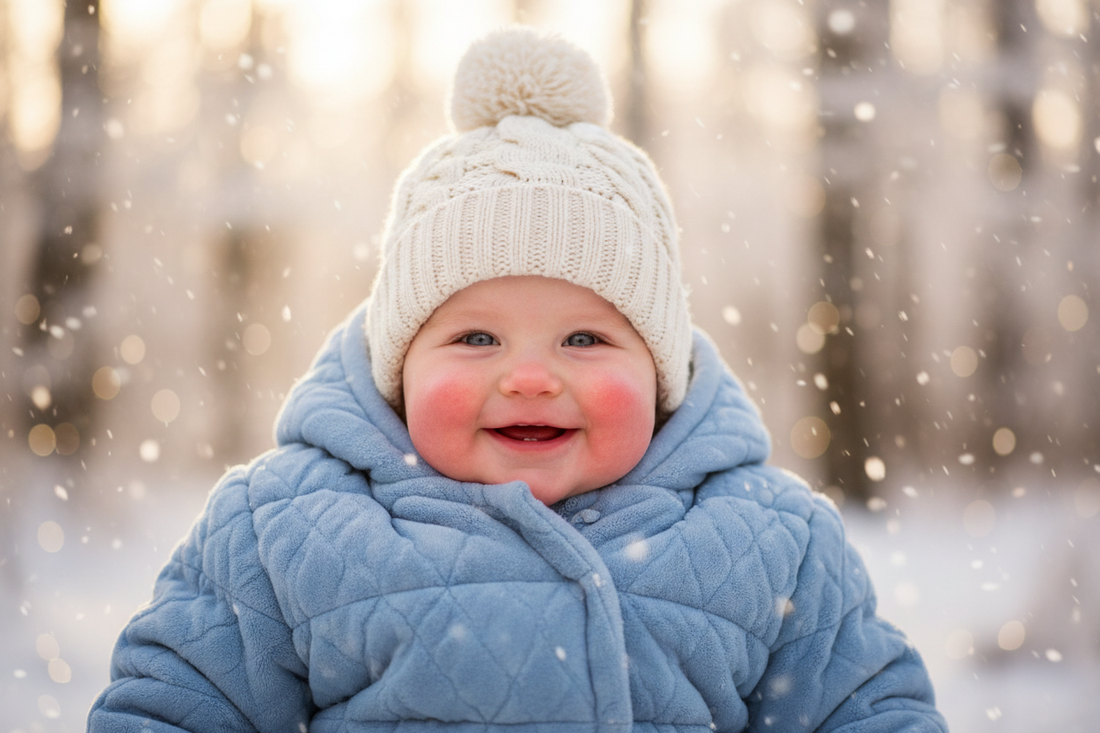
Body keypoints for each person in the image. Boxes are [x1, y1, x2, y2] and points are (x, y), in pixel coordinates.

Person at [88, 27, 947, 733]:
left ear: (660, 368)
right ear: (397, 368)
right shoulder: (288, 529)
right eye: (474, 337)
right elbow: (173, 706)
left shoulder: (770, 541)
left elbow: (867, 708)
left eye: (584, 337)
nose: (530, 377)